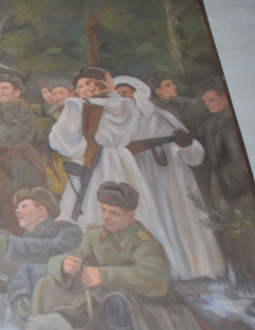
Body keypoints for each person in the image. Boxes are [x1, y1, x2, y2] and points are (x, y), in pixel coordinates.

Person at [33, 183, 229, 330]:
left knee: (117, 301)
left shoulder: (143, 241)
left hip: (146, 308)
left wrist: (105, 275)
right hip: (104, 300)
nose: (106, 217)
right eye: (104, 210)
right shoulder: (95, 234)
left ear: (130, 216)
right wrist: (66, 263)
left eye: (114, 213)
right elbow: (77, 253)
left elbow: (156, 277)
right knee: (48, 286)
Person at [48, 67, 177, 274]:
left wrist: (81, 150)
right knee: (127, 207)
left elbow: (59, 141)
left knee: (93, 207)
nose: (77, 91)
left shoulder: (76, 105)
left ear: (92, 85)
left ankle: (95, 266)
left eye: (81, 86)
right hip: (122, 160)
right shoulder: (124, 105)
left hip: (93, 160)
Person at [113, 75, 224, 280]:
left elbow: (194, 155)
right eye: (117, 95)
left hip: (174, 182)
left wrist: (186, 145)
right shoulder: (115, 126)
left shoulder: (162, 117)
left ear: (138, 95)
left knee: (183, 222)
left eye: (126, 93)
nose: (122, 99)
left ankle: (198, 270)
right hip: (141, 183)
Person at [0, 187, 82, 319]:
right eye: (17, 207)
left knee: (26, 269)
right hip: (33, 293)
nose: (17, 211)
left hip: (64, 291)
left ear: (41, 211)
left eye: (24, 206)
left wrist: (12, 245)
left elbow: (55, 248)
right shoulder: (26, 239)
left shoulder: (68, 230)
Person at [195, 78, 255, 288]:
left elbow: (239, 160)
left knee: (246, 232)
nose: (208, 104)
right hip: (222, 187)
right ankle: (245, 276)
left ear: (225, 99)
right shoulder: (213, 122)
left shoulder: (230, 123)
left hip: (237, 188)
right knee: (232, 234)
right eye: (205, 101)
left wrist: (235, 186)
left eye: (212, 99)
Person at [0, 73, 47, 234]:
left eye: (5, 88)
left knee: (14, 201)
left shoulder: (24, 111)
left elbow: (11, 136)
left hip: (19, 164)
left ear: (17, 92)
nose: (0, 91)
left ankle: (20, 235)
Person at [145, 71, 210, 133]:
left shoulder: (177, 101)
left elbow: (195, 103)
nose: (174, 86)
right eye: (168, 85)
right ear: (158, 91)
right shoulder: (153, 108)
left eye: (172, 84)